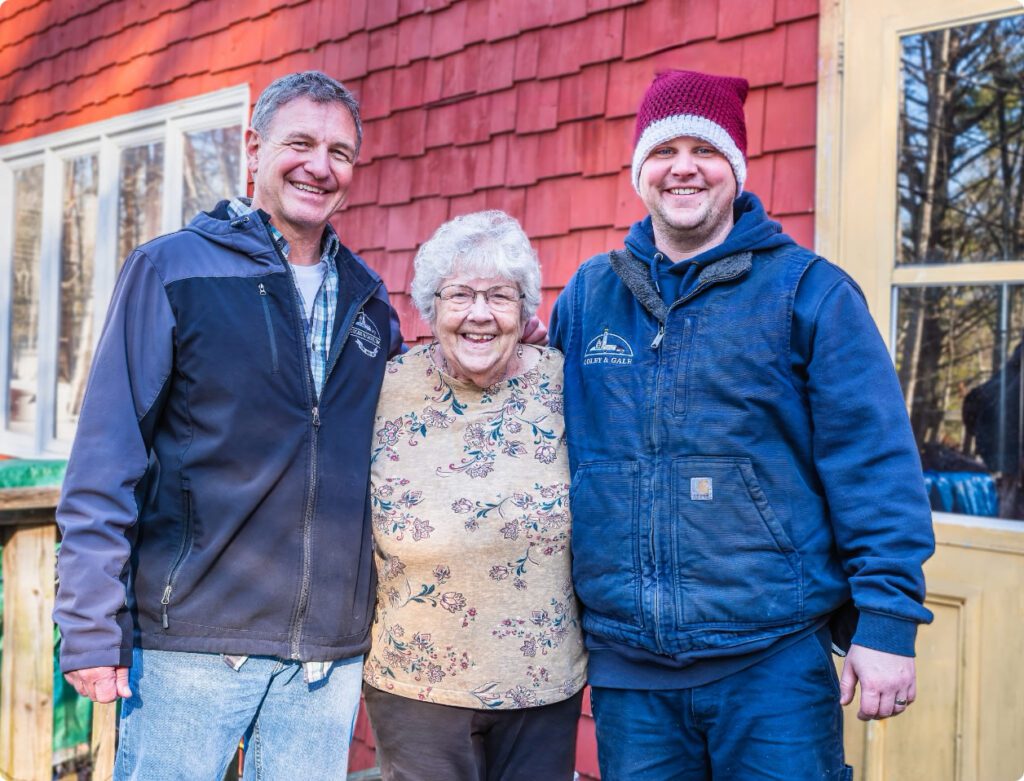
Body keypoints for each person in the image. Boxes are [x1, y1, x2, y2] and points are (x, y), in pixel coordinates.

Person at [549, 69, 935, 779]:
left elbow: (875, 462)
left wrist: (887, 621)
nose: (684, 168)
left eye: (706, 150)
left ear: (736, 167)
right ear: (640, 171)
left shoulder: (808, 292)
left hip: (773, 665)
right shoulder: (589, 296)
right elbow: (541, 447)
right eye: (664, 151)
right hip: (630, 674)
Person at [54, 71, 405, 779]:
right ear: (254, 148)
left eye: (339, 152)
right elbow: (107, 454)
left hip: (322, 661)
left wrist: (509, 349)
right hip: (191, 644)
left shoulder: (369, 303)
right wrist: (90, 621)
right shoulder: (172, 269)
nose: (319, 166)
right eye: (300, 143)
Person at [361, 210, 587, 781]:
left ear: (525, 308)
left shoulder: (567, 384)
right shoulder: (385, 388)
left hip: (542, 683)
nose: (480, 314)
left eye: (500, 296)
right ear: (431, 306)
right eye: (460, 295)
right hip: (415, 685)